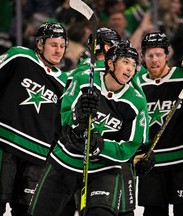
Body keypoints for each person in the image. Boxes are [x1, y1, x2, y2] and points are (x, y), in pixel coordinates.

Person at [28, 42, 149, 216]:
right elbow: (64, 117)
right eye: (125, 62)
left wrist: (100, 146)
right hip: (66, 159)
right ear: (110, 63)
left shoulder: (136, 102)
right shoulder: (84, 80)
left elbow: (130, 146)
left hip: (104, 167)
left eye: (133, 64)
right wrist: (78, 116)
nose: (130, 68)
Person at [0, 22, 69, 215]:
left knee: (27, 210)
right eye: (53, 44)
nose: (58, 51)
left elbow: (62, 125)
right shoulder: (20, 57)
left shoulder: (65, 82)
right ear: (40, 44)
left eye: (62, 46)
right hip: (3, 142)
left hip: (38, 155)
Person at [137, 32, 183, 216]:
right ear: (143, 57)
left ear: (167, 55)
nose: (154, 60)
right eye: (150, 55)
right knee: (153, 212)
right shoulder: (136, 83)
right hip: (152, 162)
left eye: (158, 55)